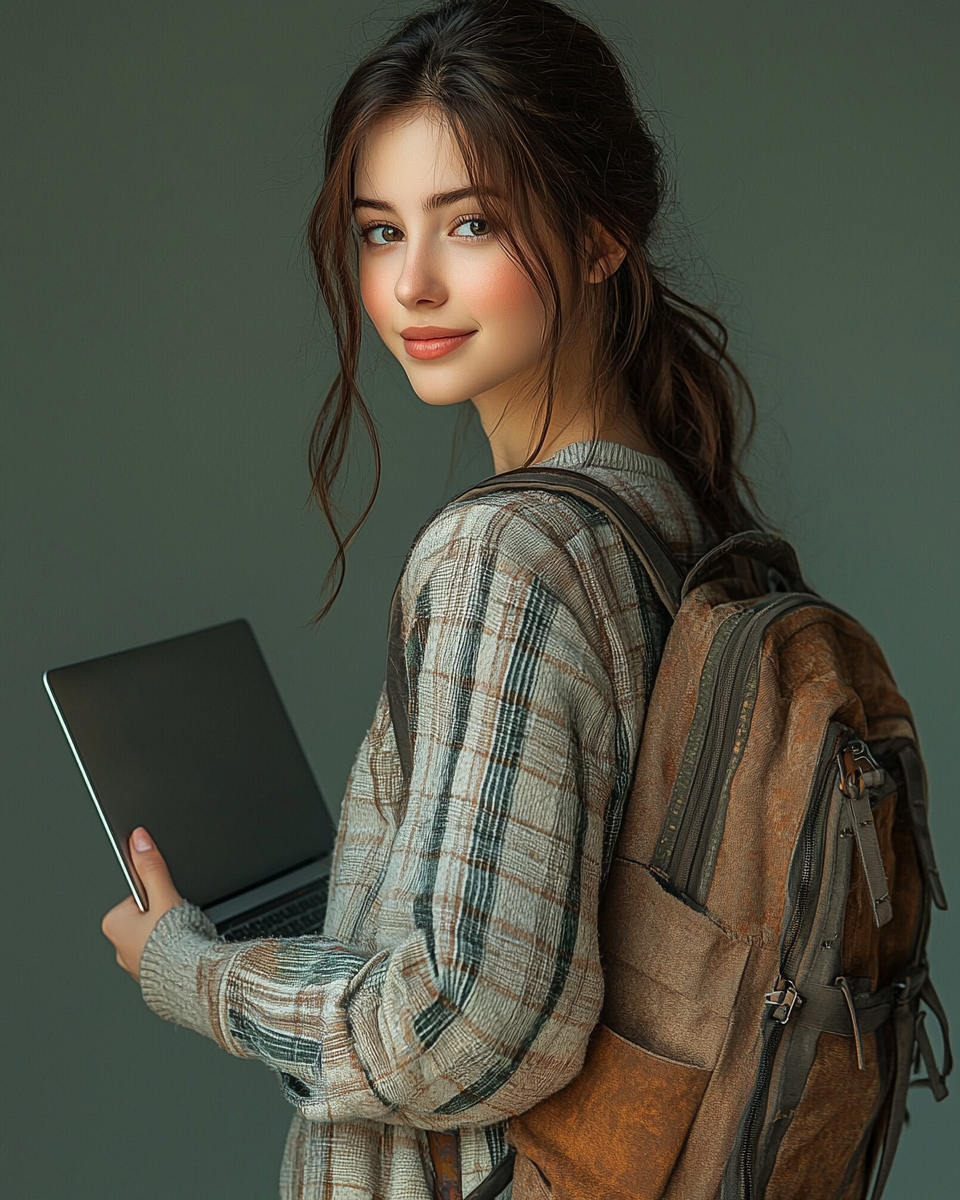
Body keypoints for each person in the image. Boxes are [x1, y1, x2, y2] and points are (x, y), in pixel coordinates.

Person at [101, 2, 765, 1196]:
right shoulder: (676, 521)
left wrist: (191, 969)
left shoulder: (508, 553)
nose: (411, 282)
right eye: (377, 230)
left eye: (471, 223)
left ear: (602, 235)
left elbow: (466, 1018)